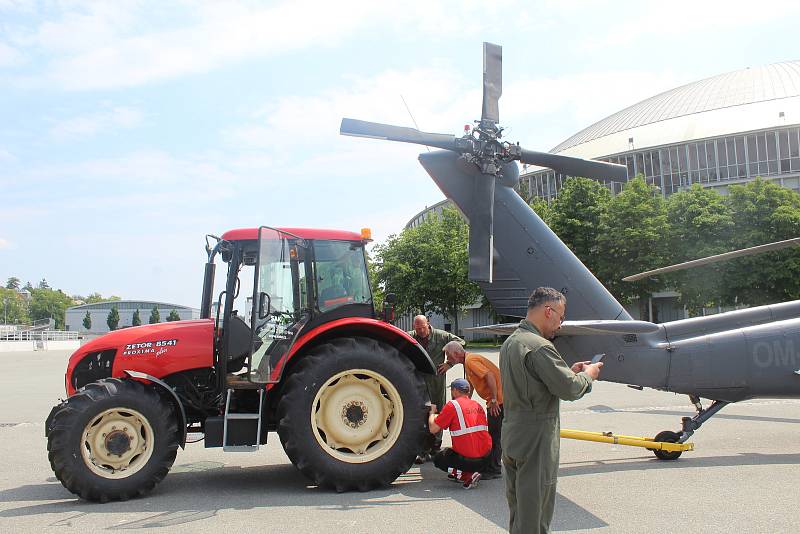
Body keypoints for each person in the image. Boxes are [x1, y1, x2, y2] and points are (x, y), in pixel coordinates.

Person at [500, 287, 603, 534]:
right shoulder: (540, 346)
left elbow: (536, 380)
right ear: (549, 311)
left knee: (519, 511)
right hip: (536, 438)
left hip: (513, 434)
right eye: (561, 316)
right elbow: (570, 389)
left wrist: (569, 370)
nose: (560, 324)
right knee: (535, 516)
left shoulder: (512, 342)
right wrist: (588, 376)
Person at [441, 340, 503, 479]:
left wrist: (494, 400)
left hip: (498, 401)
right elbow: (471, 385)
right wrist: (466, 402)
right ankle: (492, 466)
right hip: (497, 400)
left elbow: (489, 376)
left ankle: (494, 469)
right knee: (494, 434)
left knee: (494, 435)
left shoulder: (470, 361)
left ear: (457, 354)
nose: (448, 359)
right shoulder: (468, 363)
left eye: (449, 356)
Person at [408, 315, 465, 463]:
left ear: (428, 324)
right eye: (417, 328)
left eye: (423, 327)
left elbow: (460, 342)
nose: (420, 330)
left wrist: (449, 363)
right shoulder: (411, 336)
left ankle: (435, 447)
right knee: (422, 414)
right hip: (419, 380)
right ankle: (422, 450)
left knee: (438, 412)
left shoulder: (441, 336)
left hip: (436, 380)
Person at [428, 378, 492, 489]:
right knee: (454, 450)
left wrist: (432, 413)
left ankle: (467, 476)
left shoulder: (453, 405)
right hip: (486, 457)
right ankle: (461, 471)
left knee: (438, 458)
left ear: (455, 391)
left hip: (470, 459)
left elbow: (433, 429)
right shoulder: (477, 405)